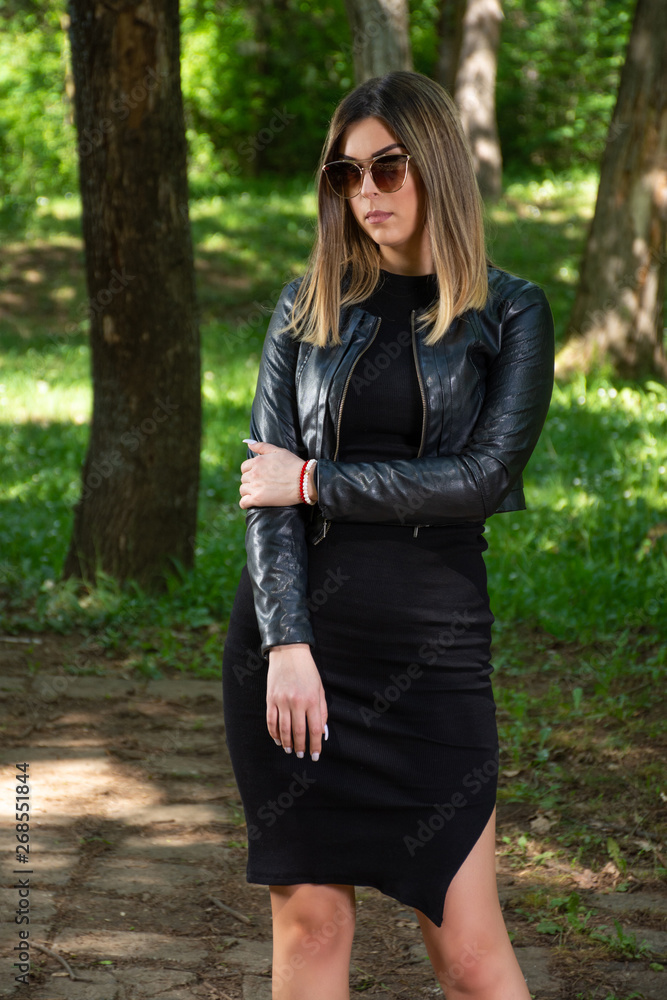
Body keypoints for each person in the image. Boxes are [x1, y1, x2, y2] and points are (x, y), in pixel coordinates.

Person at [222, 69, 554, 1000]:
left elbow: (482, 477)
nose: (365, 192)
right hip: (300, 654)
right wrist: (287, 644)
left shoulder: (509, 311)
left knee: (471, 958)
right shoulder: (305, 306)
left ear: (436, 165)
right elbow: (263, 495)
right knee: (312, 925)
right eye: (345, 173)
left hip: (432, 650)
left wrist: (316, 480)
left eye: (388, 167)